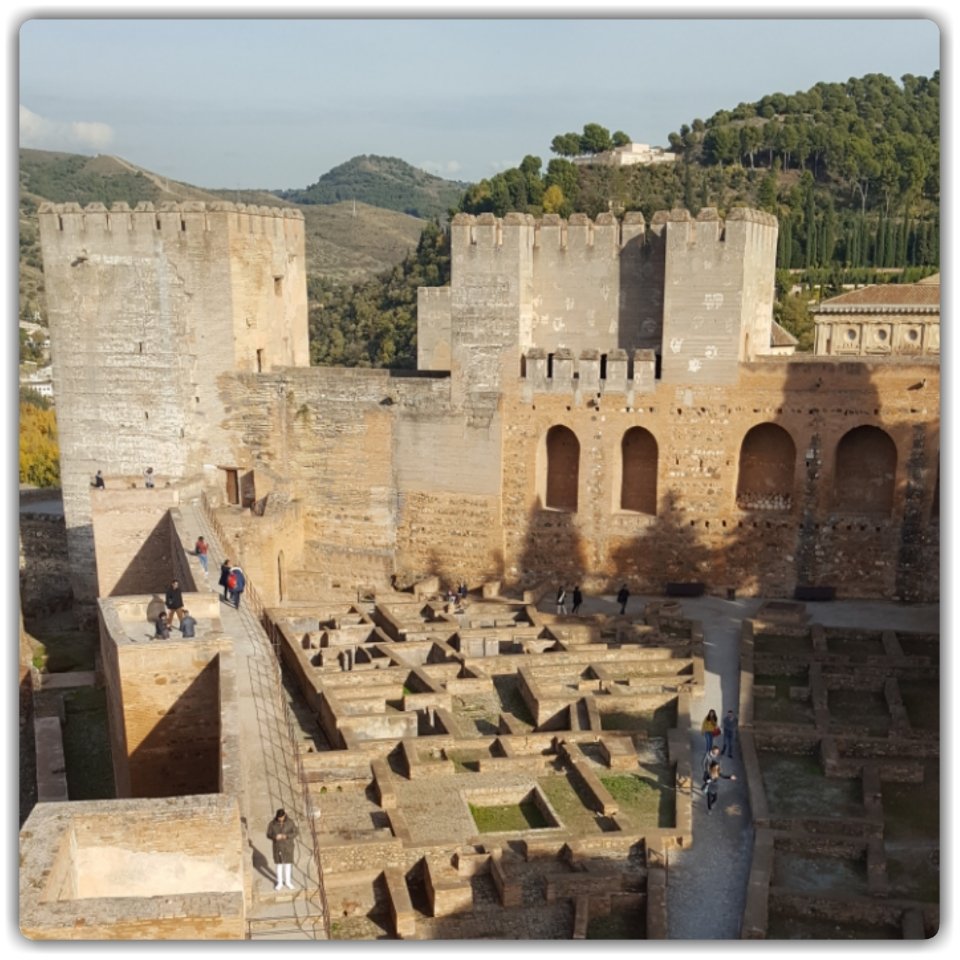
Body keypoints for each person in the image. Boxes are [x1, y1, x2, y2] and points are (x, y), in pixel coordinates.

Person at [267, 808, 298, 891]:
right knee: (279, 865)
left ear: (284, 815)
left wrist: (286, 836)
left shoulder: (290, 822)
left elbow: (295, 832)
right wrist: (274, 837)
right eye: (279, 818)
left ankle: (288, 882)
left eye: (282, 817)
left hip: (288, 846)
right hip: (277, 847)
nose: (280, 819)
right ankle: (279, 883)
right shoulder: (272, 824)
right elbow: (268, 834)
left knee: (288, 865)